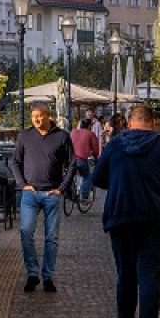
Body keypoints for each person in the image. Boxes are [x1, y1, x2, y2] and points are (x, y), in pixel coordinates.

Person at [92, 103, 160, 318]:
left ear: (130, 122)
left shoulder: (115, 145)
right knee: (149, 275)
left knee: (126, 274)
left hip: (121, 215)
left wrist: (119, 180)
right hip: (153, 217)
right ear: (152, 122)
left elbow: (97, 178)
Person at [13, 103, 74, 292]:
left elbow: (72, 163)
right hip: (30, 194)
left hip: (51, 193)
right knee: (26, 232)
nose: (37, 120)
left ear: (48, 116)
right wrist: (23, 185)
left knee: (51, 237)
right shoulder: (24, 136)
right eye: (33, 116)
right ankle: (32, 273)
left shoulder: (62, 136)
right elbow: (15, 162)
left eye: (40, 116)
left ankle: (47, 276)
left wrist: (62, 188)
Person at [69, 116, 102, 204]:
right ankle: (84, 197)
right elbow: (95, 149)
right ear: (90, 126)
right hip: (81, 159)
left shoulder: (73, 132)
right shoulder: (90, 134)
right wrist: (96, 159)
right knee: (86, 176)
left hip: (70, 159)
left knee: (70, 175)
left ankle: (69, 193)